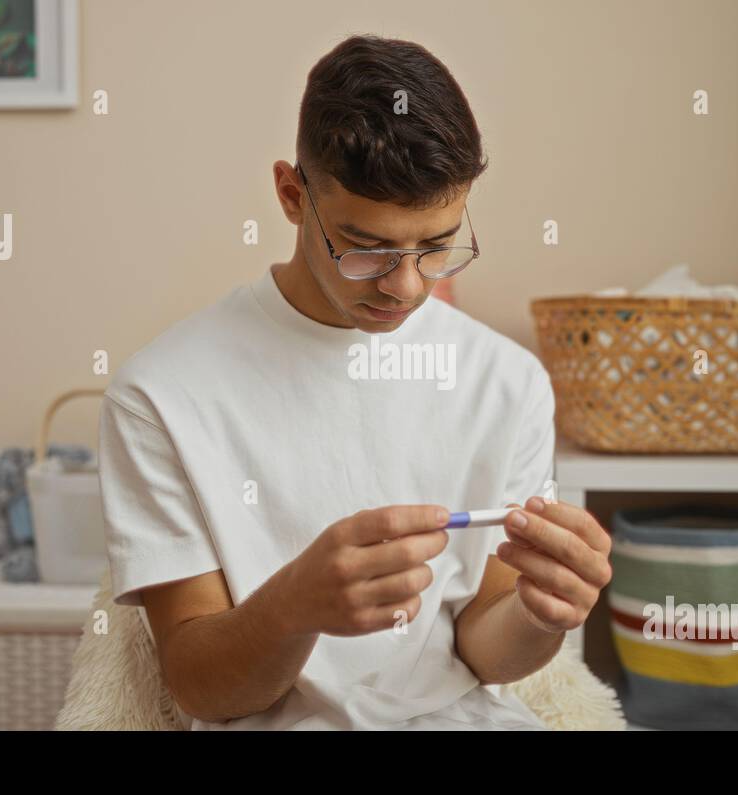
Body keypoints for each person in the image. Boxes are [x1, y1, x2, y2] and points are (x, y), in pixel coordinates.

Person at [98, 34, 612, 730]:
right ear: (290, 193)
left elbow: (482, 649)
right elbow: (200, 687)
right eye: (367, 248)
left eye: (436, 246)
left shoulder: (507, 382)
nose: (406, 286)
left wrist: (541, 612)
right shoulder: (161, 395)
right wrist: (294, 606)